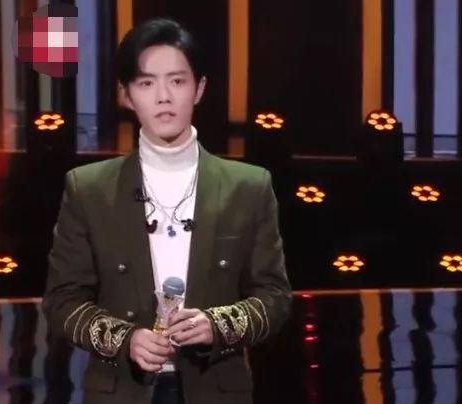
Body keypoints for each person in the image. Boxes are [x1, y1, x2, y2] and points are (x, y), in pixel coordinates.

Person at [42, 17, 292, 404]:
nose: (163, 97)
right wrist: (126, 339)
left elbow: (275, 297)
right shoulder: (88, 189)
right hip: (120, 391)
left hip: (215, 390)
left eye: (177, 81)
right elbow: (62, 301)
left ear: (199, 88)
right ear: (126, 94)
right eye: (146, 83)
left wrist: (217, 325)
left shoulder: (249, 187)